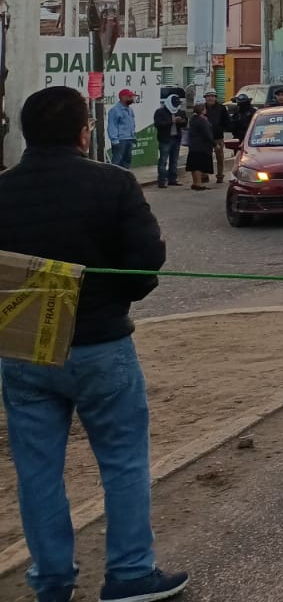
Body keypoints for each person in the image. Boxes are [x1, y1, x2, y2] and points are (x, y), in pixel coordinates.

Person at [0, 86, 188, 602]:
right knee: (123, 461)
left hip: (25, 350)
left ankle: (51, 579)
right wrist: (118, 297)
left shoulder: (3, 191)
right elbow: (145, 258)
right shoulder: (113, 183)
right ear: (84, 133)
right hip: (100, 345)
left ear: (27, 133)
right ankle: (129, 574)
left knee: (36, 470)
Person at [152, 92, 183, 190]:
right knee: (163, 160)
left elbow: (185, 121)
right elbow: (158, 124)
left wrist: (181, 121)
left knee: (174, 160)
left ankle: (172, 179)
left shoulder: (178, 111)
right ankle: (162, 180)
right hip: (165, 139)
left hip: (176, 138)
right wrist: (171, 121)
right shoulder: (160, 112)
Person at [183, 104, 214, 192]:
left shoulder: (193, 119)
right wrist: (214, 144)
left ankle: (195, 182)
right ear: (202, 110)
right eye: (204, 109)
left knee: (194, 165)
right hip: (201, 146)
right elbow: (206, 134)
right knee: (198, 166)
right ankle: (198, 183)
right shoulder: (202, 120)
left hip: (193, 146)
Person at [106, 90, 138, 170]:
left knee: (127, 162)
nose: (132, 99)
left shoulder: (130, 110)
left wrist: (133, 136)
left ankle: (124, 177)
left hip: (129, 139)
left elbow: (132, 124)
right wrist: (114, 140)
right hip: (120, 140)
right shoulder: (115, 110)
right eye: (130, 97)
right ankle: (113, 177)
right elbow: (112, 126)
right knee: (117, 162)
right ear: (123, 97)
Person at [202, 91, 229, 182]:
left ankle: (220, 176)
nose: (210, 98)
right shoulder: (202, 108)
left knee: (220, 157)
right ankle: (204, 175)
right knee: (205, 157)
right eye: (208, 96)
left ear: (215, 97)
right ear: (205, 98)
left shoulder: (221, 108)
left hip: (218, 137)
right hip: (205, 137)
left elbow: (226, 121)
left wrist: (221, 128)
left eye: (212, 96)